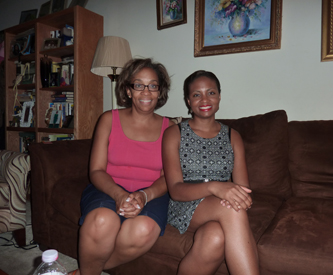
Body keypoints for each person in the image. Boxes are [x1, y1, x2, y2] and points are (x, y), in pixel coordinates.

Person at [69, 58, 174, 275]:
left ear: (160, 91)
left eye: (153, 85)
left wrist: (144, 196)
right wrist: (119, 195)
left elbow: (168, 177)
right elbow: (96, 171)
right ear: (128, 90)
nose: (146, 92)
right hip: (108, 188)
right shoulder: (108, 119)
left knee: (143, 230)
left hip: (151, 194)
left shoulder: (169, 128)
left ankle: (87, 270)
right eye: (139, 85)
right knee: (101, 221)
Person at [162, 70, 259, 275]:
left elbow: (243, 189)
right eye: (197, 94)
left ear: (219, 96)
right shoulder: (174, 133)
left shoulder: (233, 136)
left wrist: (238, 197)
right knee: (233, 210)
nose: (204, 99)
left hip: (221, 203)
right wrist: (216, 187)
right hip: (185, 203)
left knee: (214, 237)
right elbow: (176, 190)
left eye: (211, 93)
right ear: (188, 101)